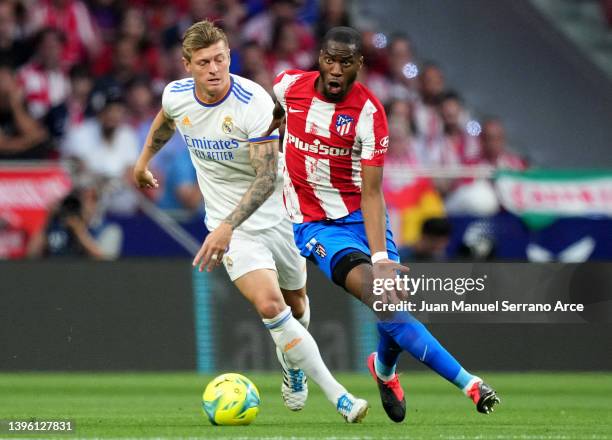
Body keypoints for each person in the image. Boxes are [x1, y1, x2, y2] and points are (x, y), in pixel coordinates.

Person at [132, 20, 368, 423]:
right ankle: (341, 397)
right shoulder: (176, 96)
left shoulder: (252, 102)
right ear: (187, 65)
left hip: (279, 215)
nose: (214, 68)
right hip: (232, 228)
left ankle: (293, 368)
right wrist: (142, 163)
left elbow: (264, 178)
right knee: (270, 304)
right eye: (204, 61)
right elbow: (166, 121)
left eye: (221, 58)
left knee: (297, 306)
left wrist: (226, 226)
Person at [267, 26, 500, 423]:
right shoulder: (288, 86)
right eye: (329, 59)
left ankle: (384, 370)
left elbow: (373, 193)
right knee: (384, 298)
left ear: (359, 64)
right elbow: (277, 112)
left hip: (363, 217)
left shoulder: (370, 114)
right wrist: (272, 136)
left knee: (391, 306)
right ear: (319, 59)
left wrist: (379, 256)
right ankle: (470, 383)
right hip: (316, 225)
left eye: (346, 62)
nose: (336, 69)